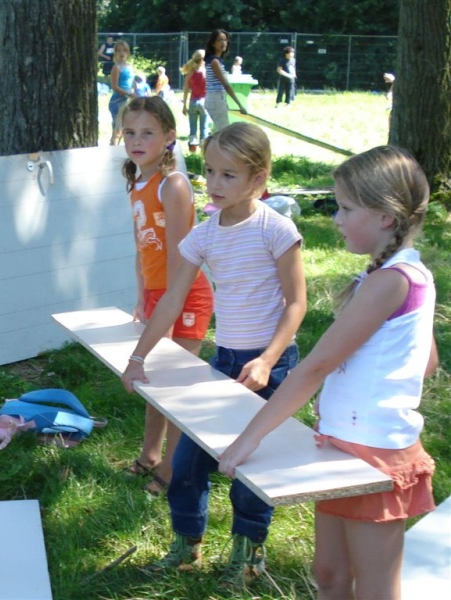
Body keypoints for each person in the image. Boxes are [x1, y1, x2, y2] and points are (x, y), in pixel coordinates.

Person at [219, 146, 438, 599]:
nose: (336, 219)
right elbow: (428, 360)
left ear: (386, 217)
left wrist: (248, 438)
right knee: (330, 573)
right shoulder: (397, 273)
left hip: (375, 454)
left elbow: (314, 366)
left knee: (376, 587)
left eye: (346, 208)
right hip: (342, 444)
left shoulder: (390, 282)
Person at [121, 122, 307, 588]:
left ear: (258, 178)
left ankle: (247, 556)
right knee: (186, 464)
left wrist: (267, 360)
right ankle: (186, 547)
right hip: (224, 362)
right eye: (208, 171)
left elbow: (296, 303)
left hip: (271, 366)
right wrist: (138, 358)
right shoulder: (204, 235)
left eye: (228, 175)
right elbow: (171, 299)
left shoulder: (276, 228)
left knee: (251, 471)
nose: (214, 183)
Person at [120, 96, 214, 494]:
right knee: (154, 384)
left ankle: (173, 470)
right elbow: (143, 250)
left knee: (175, 389)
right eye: (130, 132)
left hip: (186, 297)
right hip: (160, 296)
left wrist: (169, 309)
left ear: (169, 137)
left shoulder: (172, 184)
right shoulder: (137, 182)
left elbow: (180, 254)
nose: (137, 140)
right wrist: (144, 298)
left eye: (147, 133)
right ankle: (149, 455)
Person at [204, 29, 247, 132]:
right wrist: (239, 104)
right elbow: (226, 84)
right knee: (224, 133)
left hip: (217, 98)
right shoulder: (215, 62)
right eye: (220, 40)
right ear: (213, 43)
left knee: (219, 132)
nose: (224, 43)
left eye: (225, 40)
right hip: (215, 98)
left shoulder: (217, 60)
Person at [181, 49, 210, 148]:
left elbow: (185, 91)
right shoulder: (207, 73)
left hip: (193, 102)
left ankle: (192, 150)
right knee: (204, 129)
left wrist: (184, 106)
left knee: (193, 129)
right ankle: (204, 151)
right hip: (204, 102)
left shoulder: (190, 73)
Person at [108, 40, 135, 146]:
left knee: (126, 129)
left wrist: (134, 93)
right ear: (115, 53)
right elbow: (114, 87)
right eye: (118, 51)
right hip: (118, 100)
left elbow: (132, 83)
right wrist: (129, 94)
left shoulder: (129, 67)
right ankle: (113, 151)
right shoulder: (116, 68)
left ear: (128, 53)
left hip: (128, 100)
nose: (121, 53)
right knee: (118, 130)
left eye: (124, 50)